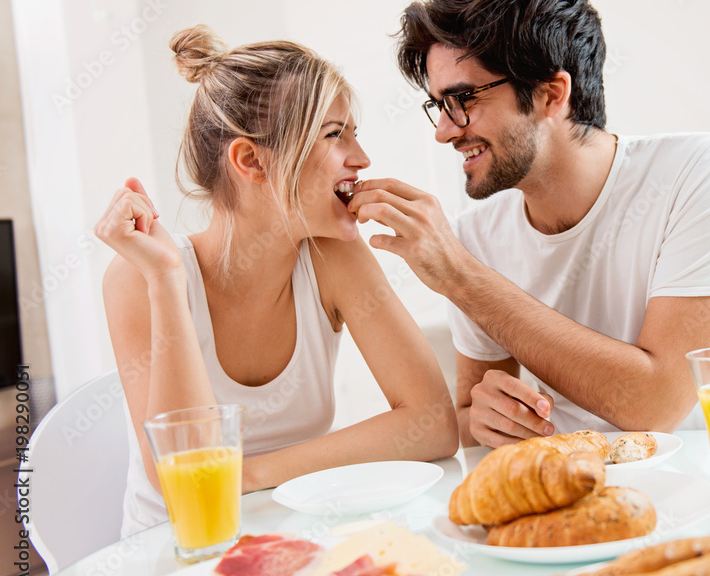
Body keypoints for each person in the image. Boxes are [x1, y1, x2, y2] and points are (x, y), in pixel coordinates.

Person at [349, 0, 710, 449]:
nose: (444, 131)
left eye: (463, 99)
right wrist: (486, 417)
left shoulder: (704, 171)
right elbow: (468, 411)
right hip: (568, 492)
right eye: (438, 105)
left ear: (551, 93)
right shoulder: (476, 237)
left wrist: (459, 275)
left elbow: (657, 405)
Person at [97, 26, 459, 536]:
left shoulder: (336, 256)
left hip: (296, 533)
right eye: (335, 134)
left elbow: (433, 423)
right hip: (180, 554)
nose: (361, 157)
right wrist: (165, 279)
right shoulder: (143, 274)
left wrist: (253, 473)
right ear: (251, 161)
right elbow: (185, 473)